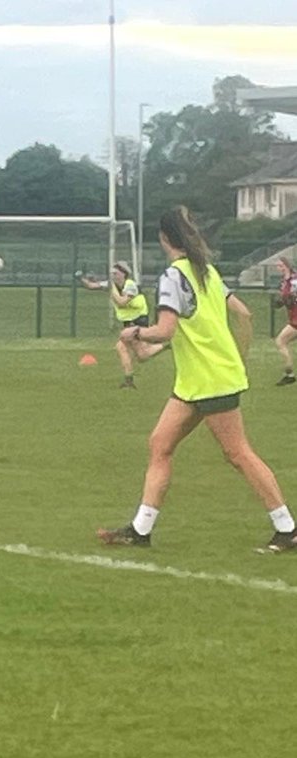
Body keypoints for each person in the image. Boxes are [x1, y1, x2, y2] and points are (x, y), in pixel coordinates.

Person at [97, 206, 297, 554]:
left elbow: (166, 329)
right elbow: (241, 315)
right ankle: (140, 531)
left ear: (163, 238)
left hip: (210, 381)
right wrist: (237, 358)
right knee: (160, 444)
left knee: (238, 454)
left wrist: (136, 332)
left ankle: (288, 529)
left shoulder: (173, 276)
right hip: (196, 381)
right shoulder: (205, 272)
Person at [79, 261, 165, 388]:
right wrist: (81, 278)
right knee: (139, 354)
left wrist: (111, 288)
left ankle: (166, 345)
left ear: (124, 274)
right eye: (112, 273)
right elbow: (91, 286)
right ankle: (129, 380)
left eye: (116, 273)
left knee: (130, 349)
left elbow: (121, 302)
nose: (113, 276)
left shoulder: (130, 285)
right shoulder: (112, 285)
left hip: (138, 320)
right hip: (128, 322)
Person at [272, 256, 297, 386]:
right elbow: (286, 299)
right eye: (278, 266)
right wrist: (282, 301)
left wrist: (291, 299)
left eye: (281, 265)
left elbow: (293, 297)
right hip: (293, 316)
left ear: (286, 265)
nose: (279, 268)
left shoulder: (294, 280)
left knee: (280, 341)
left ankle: (289, 374)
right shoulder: (284, 282)